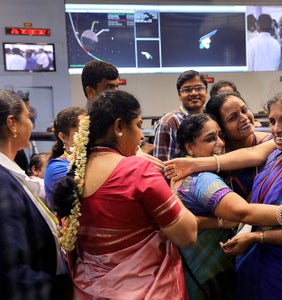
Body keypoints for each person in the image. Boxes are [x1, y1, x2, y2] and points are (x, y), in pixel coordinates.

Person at [167, 91, 282, 299]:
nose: (276, 128)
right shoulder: (276, 157)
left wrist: (257, 237)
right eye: (272, 121)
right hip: (253, 274)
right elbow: (245, 208)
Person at [53, 90, 197, 299]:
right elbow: (187, 235)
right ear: (119, 126)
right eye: (138, 125)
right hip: (144, 290)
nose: (141, 136)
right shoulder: (136, 170)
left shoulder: (75, 173)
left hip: (87, 292)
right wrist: (172, 190)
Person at [0, 89, 70, 299]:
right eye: (28, 116)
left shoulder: (11, 174)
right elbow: (9, 272)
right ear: (12, 123)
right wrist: (67, 290)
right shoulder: (2, 183)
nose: (31, 124)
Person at [81, 60, 163, 170]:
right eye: (109, 87)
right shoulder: (79, 130)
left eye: (117, 87)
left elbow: (142, 146)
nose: (116, 93)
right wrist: (128, 159)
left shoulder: (123, 118)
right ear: (91, 92)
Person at [205, 91, 272, 199]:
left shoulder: (272, 143)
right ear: (220, 127)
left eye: (244, 110)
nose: (244, 118)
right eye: (233, 117)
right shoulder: (214, 153)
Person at [153, 70, 208, 161]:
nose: (194, 93)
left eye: (199, 88)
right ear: (179, 95)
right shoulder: (169, 123)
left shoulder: (213, 117)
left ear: (206, 91)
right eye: (187, 89)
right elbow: (162, 166)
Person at [44, 106, 86, 211]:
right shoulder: (56, 168)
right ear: (62, 137)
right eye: (80, 133)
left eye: (88, 131)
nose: (86, 137)